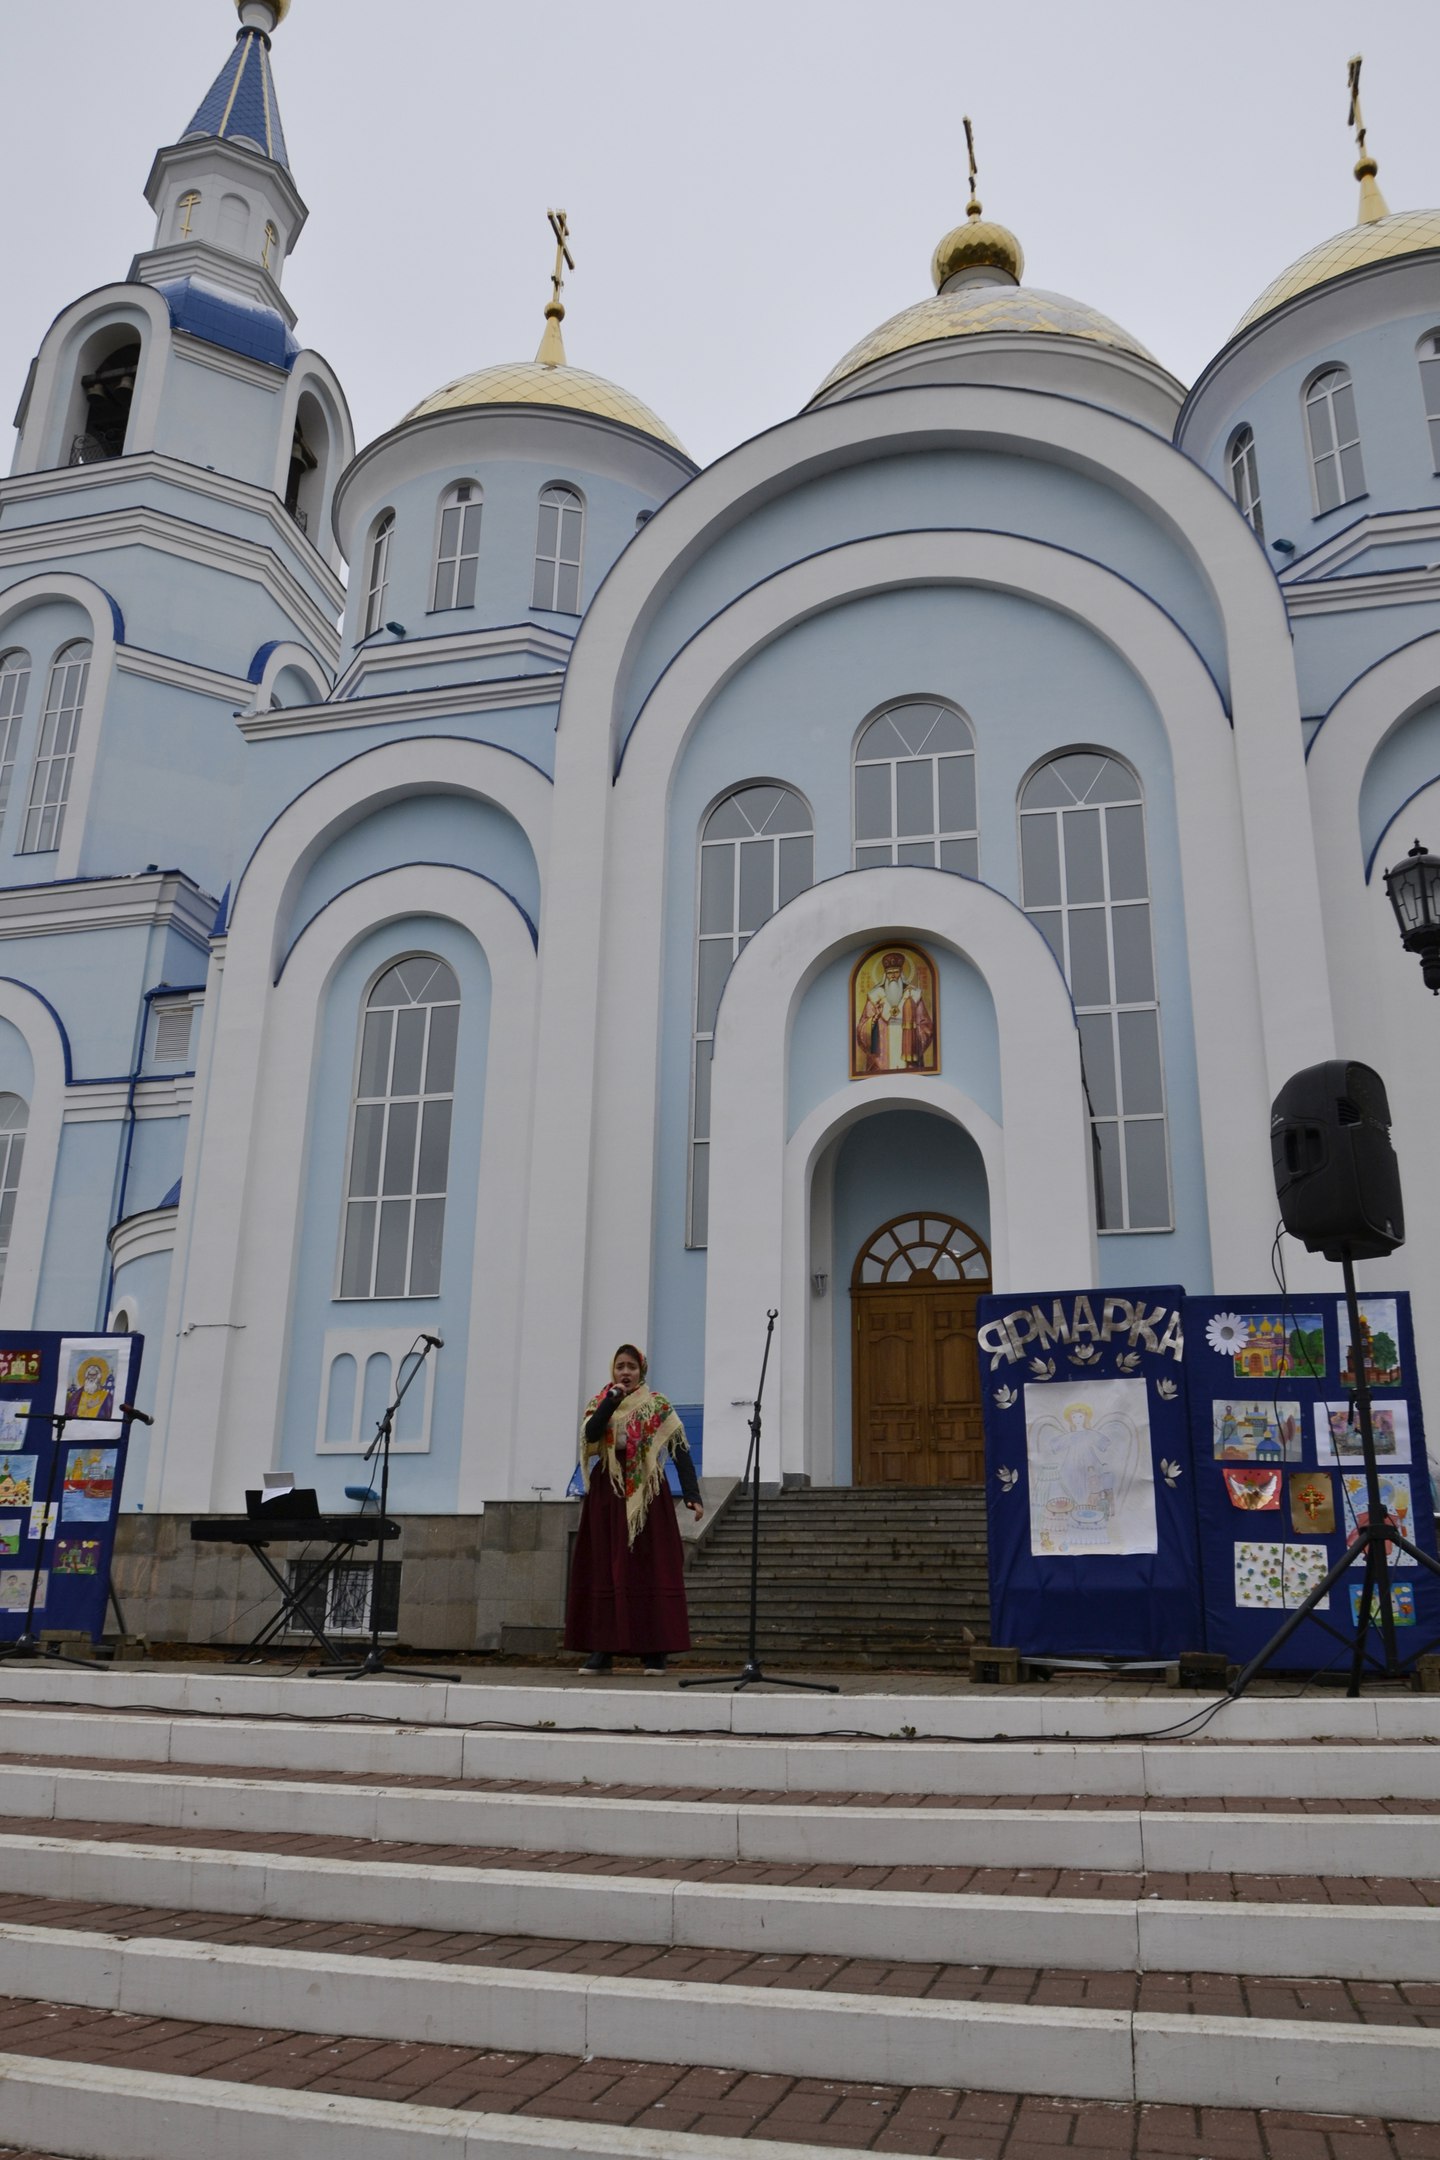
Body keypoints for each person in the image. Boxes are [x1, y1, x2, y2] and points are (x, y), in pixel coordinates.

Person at [565, 1343, 703, 1676]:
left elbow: (679, 1447)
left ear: (641, 1371)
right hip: (607, 1492)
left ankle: (655, 1651)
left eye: (631, 1367)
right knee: (604, 1567)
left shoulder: (657, 1404)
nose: (625, 1372)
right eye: (620, 1366)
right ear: (613, 1371)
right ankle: (602, 1649)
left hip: (648, 1494)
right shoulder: (601, 1402)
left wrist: (692, 1494)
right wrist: (612, 1400)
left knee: (648, 1567)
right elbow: (591, 1436)